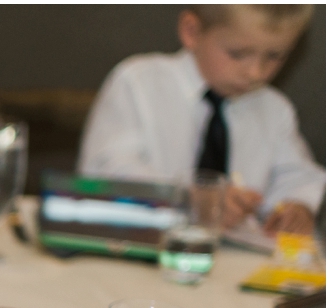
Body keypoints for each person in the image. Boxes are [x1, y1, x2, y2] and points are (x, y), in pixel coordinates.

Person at [77, 3, 323, 234]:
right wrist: (187, 197)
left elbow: (296, 174)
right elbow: (106, 170)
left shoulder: (274, 109)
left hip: (228, 261)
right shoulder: (138, 83)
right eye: (238, 54)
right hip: (135, 246)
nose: (255, 72)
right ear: (191, 31)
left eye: (274, 56)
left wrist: (296, 205)